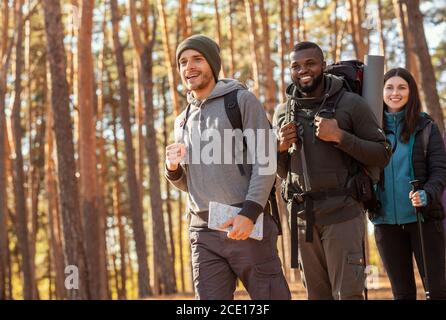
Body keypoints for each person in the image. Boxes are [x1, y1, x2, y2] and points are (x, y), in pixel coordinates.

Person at [165, 34, 291, 300]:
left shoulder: (241, 101)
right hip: (202, 231)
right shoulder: (182, 120)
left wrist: (251, 211)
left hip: (246, 222)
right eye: (183, 62)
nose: (189, 67)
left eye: (197, 59)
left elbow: (265, 160)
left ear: (212, 62)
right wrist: (173, 169)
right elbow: (192, 183)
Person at [273, 41, 391, 300]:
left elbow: (382, 153)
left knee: (348, 295)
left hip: (344, 214)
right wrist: (279, 148)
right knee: (317, 296)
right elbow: (282, 172)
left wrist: (340, 136)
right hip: (303, 219)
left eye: (310, 63)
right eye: (296, 66)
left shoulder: (351, 104)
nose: (303, 70)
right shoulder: (283, 112)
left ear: (324, 66)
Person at [371, 67, 446, 300]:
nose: (395, 93)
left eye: (402, 87)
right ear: (380, 92)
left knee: (438, 292)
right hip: (385, 223)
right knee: (402, 294)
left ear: (411, 92)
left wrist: (427, 193)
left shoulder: (426, 127)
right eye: (389, 87)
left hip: (423, 220)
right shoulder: (371, 130)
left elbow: (439, 171)